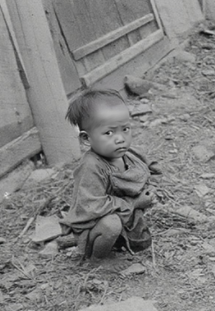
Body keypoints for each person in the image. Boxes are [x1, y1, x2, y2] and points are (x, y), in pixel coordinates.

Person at [61, 89, 160, 260]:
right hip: (95, 224)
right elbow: (92, 206)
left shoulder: (124, 153)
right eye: (109, 132)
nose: (120, 138)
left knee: (123, 228)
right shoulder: (91, 166)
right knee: (111, 225)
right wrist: (135, 203)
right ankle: (97, 261)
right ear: (86, 139)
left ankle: (119, 244)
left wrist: (151, 189)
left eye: (125, 129)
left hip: (124, 215)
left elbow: (148, 169)